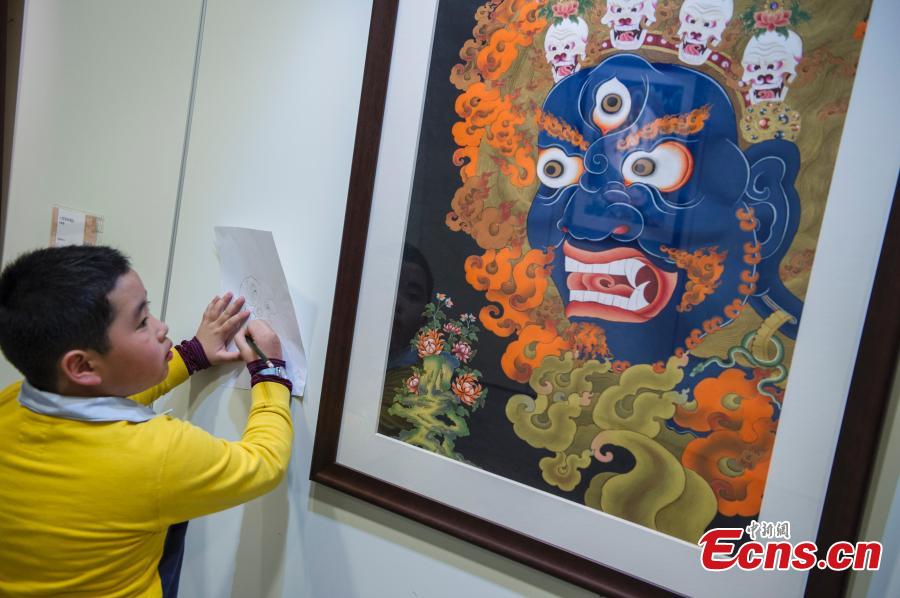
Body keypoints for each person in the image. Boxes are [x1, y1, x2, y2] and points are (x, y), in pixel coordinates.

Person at [0, 245, 294, 597]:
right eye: (141, 322)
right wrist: (270, 374)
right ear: (81, 366)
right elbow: (263, 464)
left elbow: (98, 401)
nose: (161, 326)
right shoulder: (157, 453)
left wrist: (190, 355)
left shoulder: (11, 403)